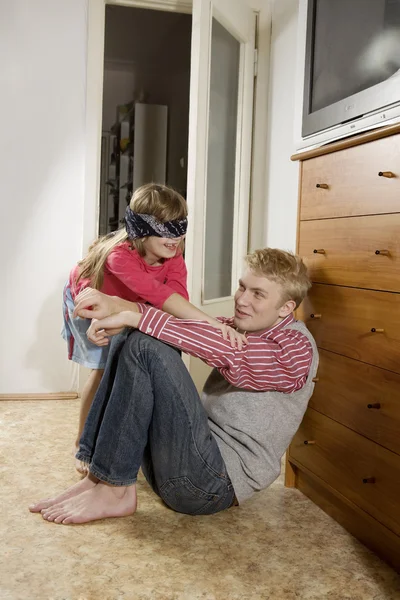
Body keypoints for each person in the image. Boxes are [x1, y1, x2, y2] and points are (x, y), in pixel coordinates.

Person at [30, 248, 319, 524]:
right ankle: (101, 477)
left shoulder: (295, 348)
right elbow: (182, 326)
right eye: (242, 287)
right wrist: (119, 317)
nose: (242, 299)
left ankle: (114, 490)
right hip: (183, 464)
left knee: (146, 342)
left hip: (210, 485)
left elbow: (233, 354)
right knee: (136, 335)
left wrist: (133, 314)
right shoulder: (241, 327)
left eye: (258, 294)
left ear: (286, 308)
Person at [63, 183, 246, 473]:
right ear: (140, 228)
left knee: (132, 362)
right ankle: (81, 444)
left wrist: (208, 328)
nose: (176, 235)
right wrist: (211, 322)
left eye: (181, 225)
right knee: (101, 370)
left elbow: (173, 305)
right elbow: (158, 298)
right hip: (89, 297)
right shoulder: (119, 256)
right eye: (165, 226)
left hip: (127, 305)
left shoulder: (174, 260)